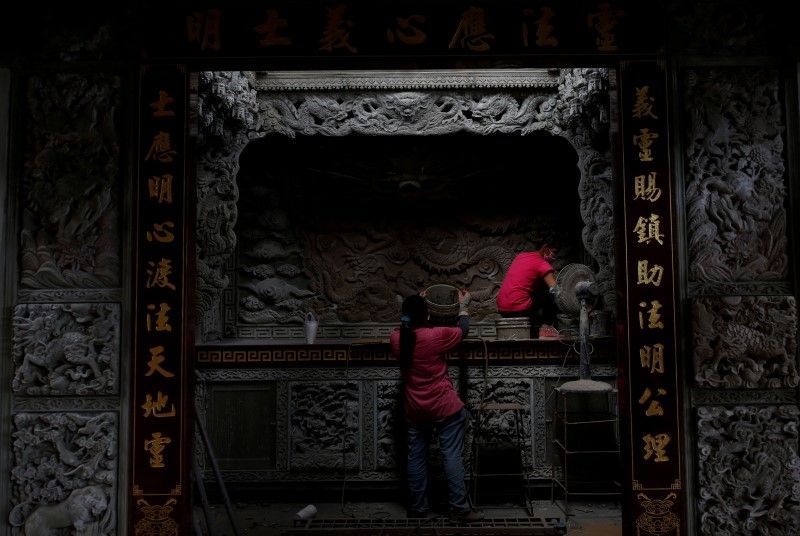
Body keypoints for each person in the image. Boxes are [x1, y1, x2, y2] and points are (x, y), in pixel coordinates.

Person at [390, 289, 483, 523]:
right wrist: (464, 306)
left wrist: (416, 304)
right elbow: (462, 330)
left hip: (415, 407)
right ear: (427, 315)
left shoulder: (396, 338)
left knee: (416, 457)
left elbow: (408, 327)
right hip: (443, 405)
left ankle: (418, 508)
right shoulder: (436, 336)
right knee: (451, 455)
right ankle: (459, 509)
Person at [496, 242, 560, 338]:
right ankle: (547, 327)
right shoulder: (542, 263)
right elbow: (555, 289)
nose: (554, 256)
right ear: (545, 248)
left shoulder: (521, 256)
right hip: (519, 310)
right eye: (554, 252)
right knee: (550, 292)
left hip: (502, 309)